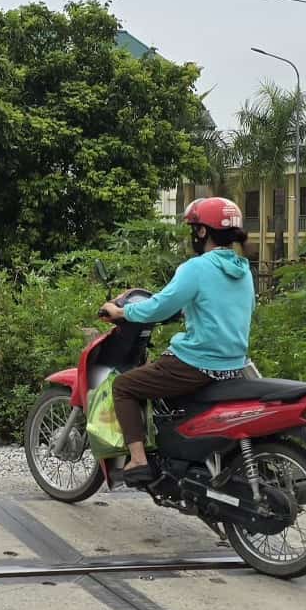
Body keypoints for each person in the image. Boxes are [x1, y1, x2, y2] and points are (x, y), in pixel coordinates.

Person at [99, 197, 255, 487]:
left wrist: (122, 311)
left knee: (124, 386)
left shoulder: (196, 268)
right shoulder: (243, 269)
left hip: (197, 363)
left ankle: (138, 460)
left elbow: (160, 305)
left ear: (202, 232)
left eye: (194, 229)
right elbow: (228, 307)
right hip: (234, 363)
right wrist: (189, 309)